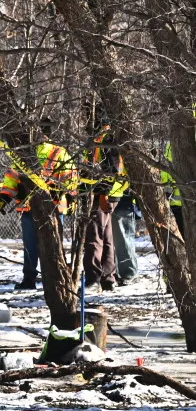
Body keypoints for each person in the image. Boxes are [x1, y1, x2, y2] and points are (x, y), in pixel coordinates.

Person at [0, 117, 75, 291]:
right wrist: (69, 198)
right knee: (51, 245)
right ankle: (51, 278)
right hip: (48, 207)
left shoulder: (26, 152)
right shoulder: (57, 152)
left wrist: (4, 197)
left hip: (42, 207)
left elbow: (12, 177)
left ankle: (32, 278)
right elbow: (71, 178)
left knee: (34, 246)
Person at [81, 125, 126, 291]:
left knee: (94, 236)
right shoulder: (101, 137)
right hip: (107, 193)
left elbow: (111, 169)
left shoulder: (105, 138)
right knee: (107, 237)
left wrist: (103, 194)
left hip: (102, 194)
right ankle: (108, 278)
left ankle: (93, 277)